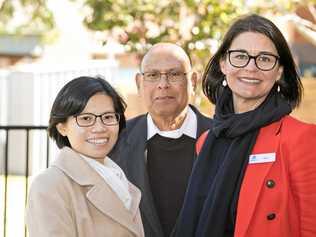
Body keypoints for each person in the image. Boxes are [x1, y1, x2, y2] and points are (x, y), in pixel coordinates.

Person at [173, 14, 316, 237]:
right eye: (240, 56)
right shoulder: (205, 143)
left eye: (265, 59)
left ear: (279, 71)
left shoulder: (300, 138)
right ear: (223, 64)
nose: (251, 68)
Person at [110, 43, 212, 237]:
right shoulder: (116, 140)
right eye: (153, 75)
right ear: (139, 83)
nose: (163, 84)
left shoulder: (222, 140)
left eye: (174, 74)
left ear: (193, 81)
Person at [26, 76, 144, 237]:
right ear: (62, 128)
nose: (99, 128)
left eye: (108, 117)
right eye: (86, 118)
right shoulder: (50, 185)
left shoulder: (119, 177)